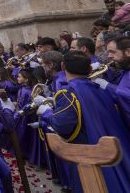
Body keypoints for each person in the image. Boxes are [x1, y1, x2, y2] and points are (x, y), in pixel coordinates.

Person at [38, 51, 130, 193]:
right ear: (89, 69)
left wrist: (46, 112)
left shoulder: (67, 93)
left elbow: (61, 125)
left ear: (63, 67)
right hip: (116, 147)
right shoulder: (100, 87)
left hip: (88, 152)